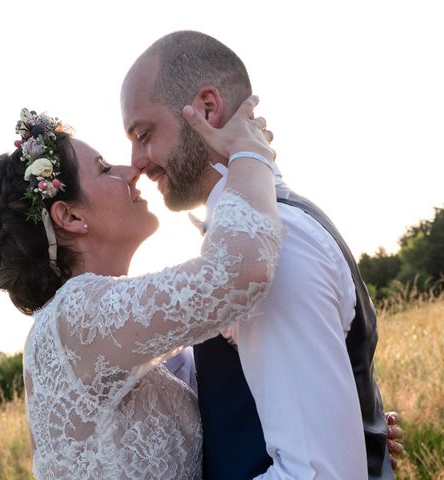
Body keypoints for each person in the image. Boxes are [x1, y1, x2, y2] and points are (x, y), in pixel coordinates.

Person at [121, 30, 400, 479]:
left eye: (143, 133)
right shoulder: (254, 239)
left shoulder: (277, 248)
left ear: (207, 109)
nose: (135, 160)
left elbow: (320, 473)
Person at [0, 99, 282, 478]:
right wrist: (249, 154)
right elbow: (241, 270)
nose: (132, 169)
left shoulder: (104, 329)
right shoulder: (77, 315)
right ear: (70, 216)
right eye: (104, 169)